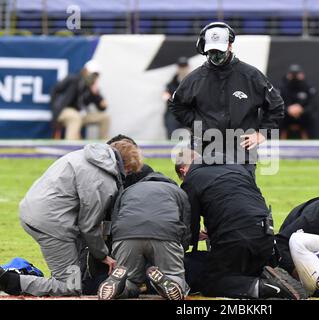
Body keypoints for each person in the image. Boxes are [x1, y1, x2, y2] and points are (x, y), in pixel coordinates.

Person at [0, 141, 143, 296]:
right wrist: (103, 255)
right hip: (52, 223)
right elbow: (89, 226)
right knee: (69, 287)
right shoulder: (103, 180)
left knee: (69, 276)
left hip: (35, 211)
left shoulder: (84, 155)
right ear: (127, 167)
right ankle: (7, 280)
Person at [174, 149, 306, 300]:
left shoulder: (192, 179)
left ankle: (268, 288)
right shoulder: (237, 168)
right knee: (239, 270)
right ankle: (263, 273)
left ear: (184, 170)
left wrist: (190, 241)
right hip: (267, 237)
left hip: (237, 237)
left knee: (212, 281)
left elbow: (190, 226)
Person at [169, 22, 284, 177]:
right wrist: (198, 124)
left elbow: (276, 105)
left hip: (241, 149)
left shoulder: (251, 76)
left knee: (241, 195)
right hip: (205, 147)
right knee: (204, 194)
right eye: (212, 51)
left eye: (219, 51)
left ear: (230, 45)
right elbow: (176, 105)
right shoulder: (194, 79)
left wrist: (262, 133)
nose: (216, 56)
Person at [97, 171, 192, 300]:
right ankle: (168, 281)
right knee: (173, 275)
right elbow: (186, 224)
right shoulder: (177, 191)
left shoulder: (129, 190)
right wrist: (182, 248)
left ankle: (119, 286)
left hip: (126, 234)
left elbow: (115, 218)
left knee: (131, 280)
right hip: (165, 233)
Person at [51, 60, 110, 140]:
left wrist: (96, 95)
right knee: (75, 117)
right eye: (92, 74)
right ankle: (71, 147)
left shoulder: (92, 88)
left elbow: (102, 108)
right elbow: (55, 90)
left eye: (96, 75)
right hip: (65, 111)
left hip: (81, 114)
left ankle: (104, 147)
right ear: (85, 71)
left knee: (105, 118)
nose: (93, 77)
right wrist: (56, 109)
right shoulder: (72, 79)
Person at [280, 64, 317, 139]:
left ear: (302, 75)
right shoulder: (281, 88)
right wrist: (288, 109)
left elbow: (312, 105)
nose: (294, 77)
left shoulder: (308, 88)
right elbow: (276, 104)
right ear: (288, 75)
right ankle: (274, 144)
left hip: (303, 115)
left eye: (296, 74)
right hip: (286, 115)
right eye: (292, 74)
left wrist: (301, 110)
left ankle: (311, 143)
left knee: (312, 117)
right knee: (274, 117)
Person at [162, 57, 190, 138]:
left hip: (189, 112)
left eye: (184, 66)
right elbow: (166, 98)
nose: (183, 69)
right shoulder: (170, 85)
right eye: (181, 67)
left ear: (188, 67)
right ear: (178, 68)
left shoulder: (194, 83)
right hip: (174, 112)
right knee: (170, 121)